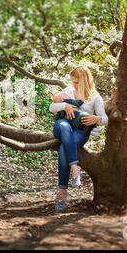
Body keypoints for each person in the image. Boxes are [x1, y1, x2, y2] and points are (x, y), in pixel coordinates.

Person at [49, 65, 108, 211]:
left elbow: (104, 118)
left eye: (76, 82)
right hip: (61, 126)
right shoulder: (69, 90)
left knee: (64, 148)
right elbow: (52, 107)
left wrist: (97, 119)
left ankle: (62, 192)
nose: (73, 85)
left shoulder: (95, 96)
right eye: (72, 81)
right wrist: (64, 106)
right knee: (64, 127)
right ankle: (74, 168)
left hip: (80, 131)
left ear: (85, 80)